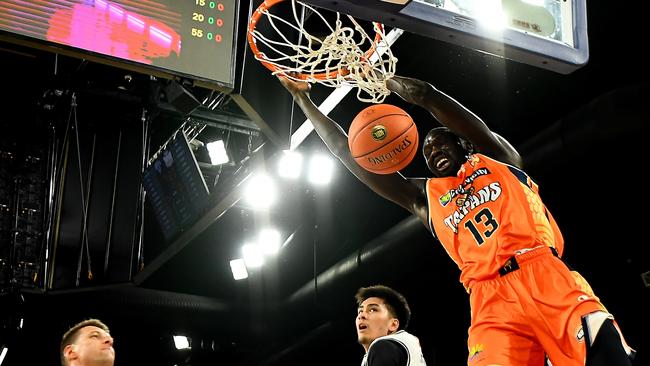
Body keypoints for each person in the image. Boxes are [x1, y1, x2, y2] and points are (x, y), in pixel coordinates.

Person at [278, 75, 636, 366]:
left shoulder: (499, 159)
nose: (432, 151)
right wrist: (304, 101)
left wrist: (409, 89)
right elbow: (351, 155)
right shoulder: (427, 198)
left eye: (439, 142)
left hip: (541, 272)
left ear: (463, 144)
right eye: (427, 151)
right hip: (488, 298)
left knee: (607, 356)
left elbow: (439, 104)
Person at [355, 285, 427, 366]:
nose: (361, 315)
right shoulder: (402, 347)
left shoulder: (382, 347)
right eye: (360, 311)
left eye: (372, 310)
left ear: (393, 325)